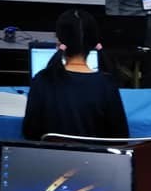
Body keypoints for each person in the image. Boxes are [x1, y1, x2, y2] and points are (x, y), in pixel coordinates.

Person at [22, 9, 129, 141]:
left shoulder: (42, 80)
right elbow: (120, 137)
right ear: (93, 44)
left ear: (59, 42)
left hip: (52, 154)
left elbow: (29, 133)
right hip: (95, 154)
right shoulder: (107, 85)